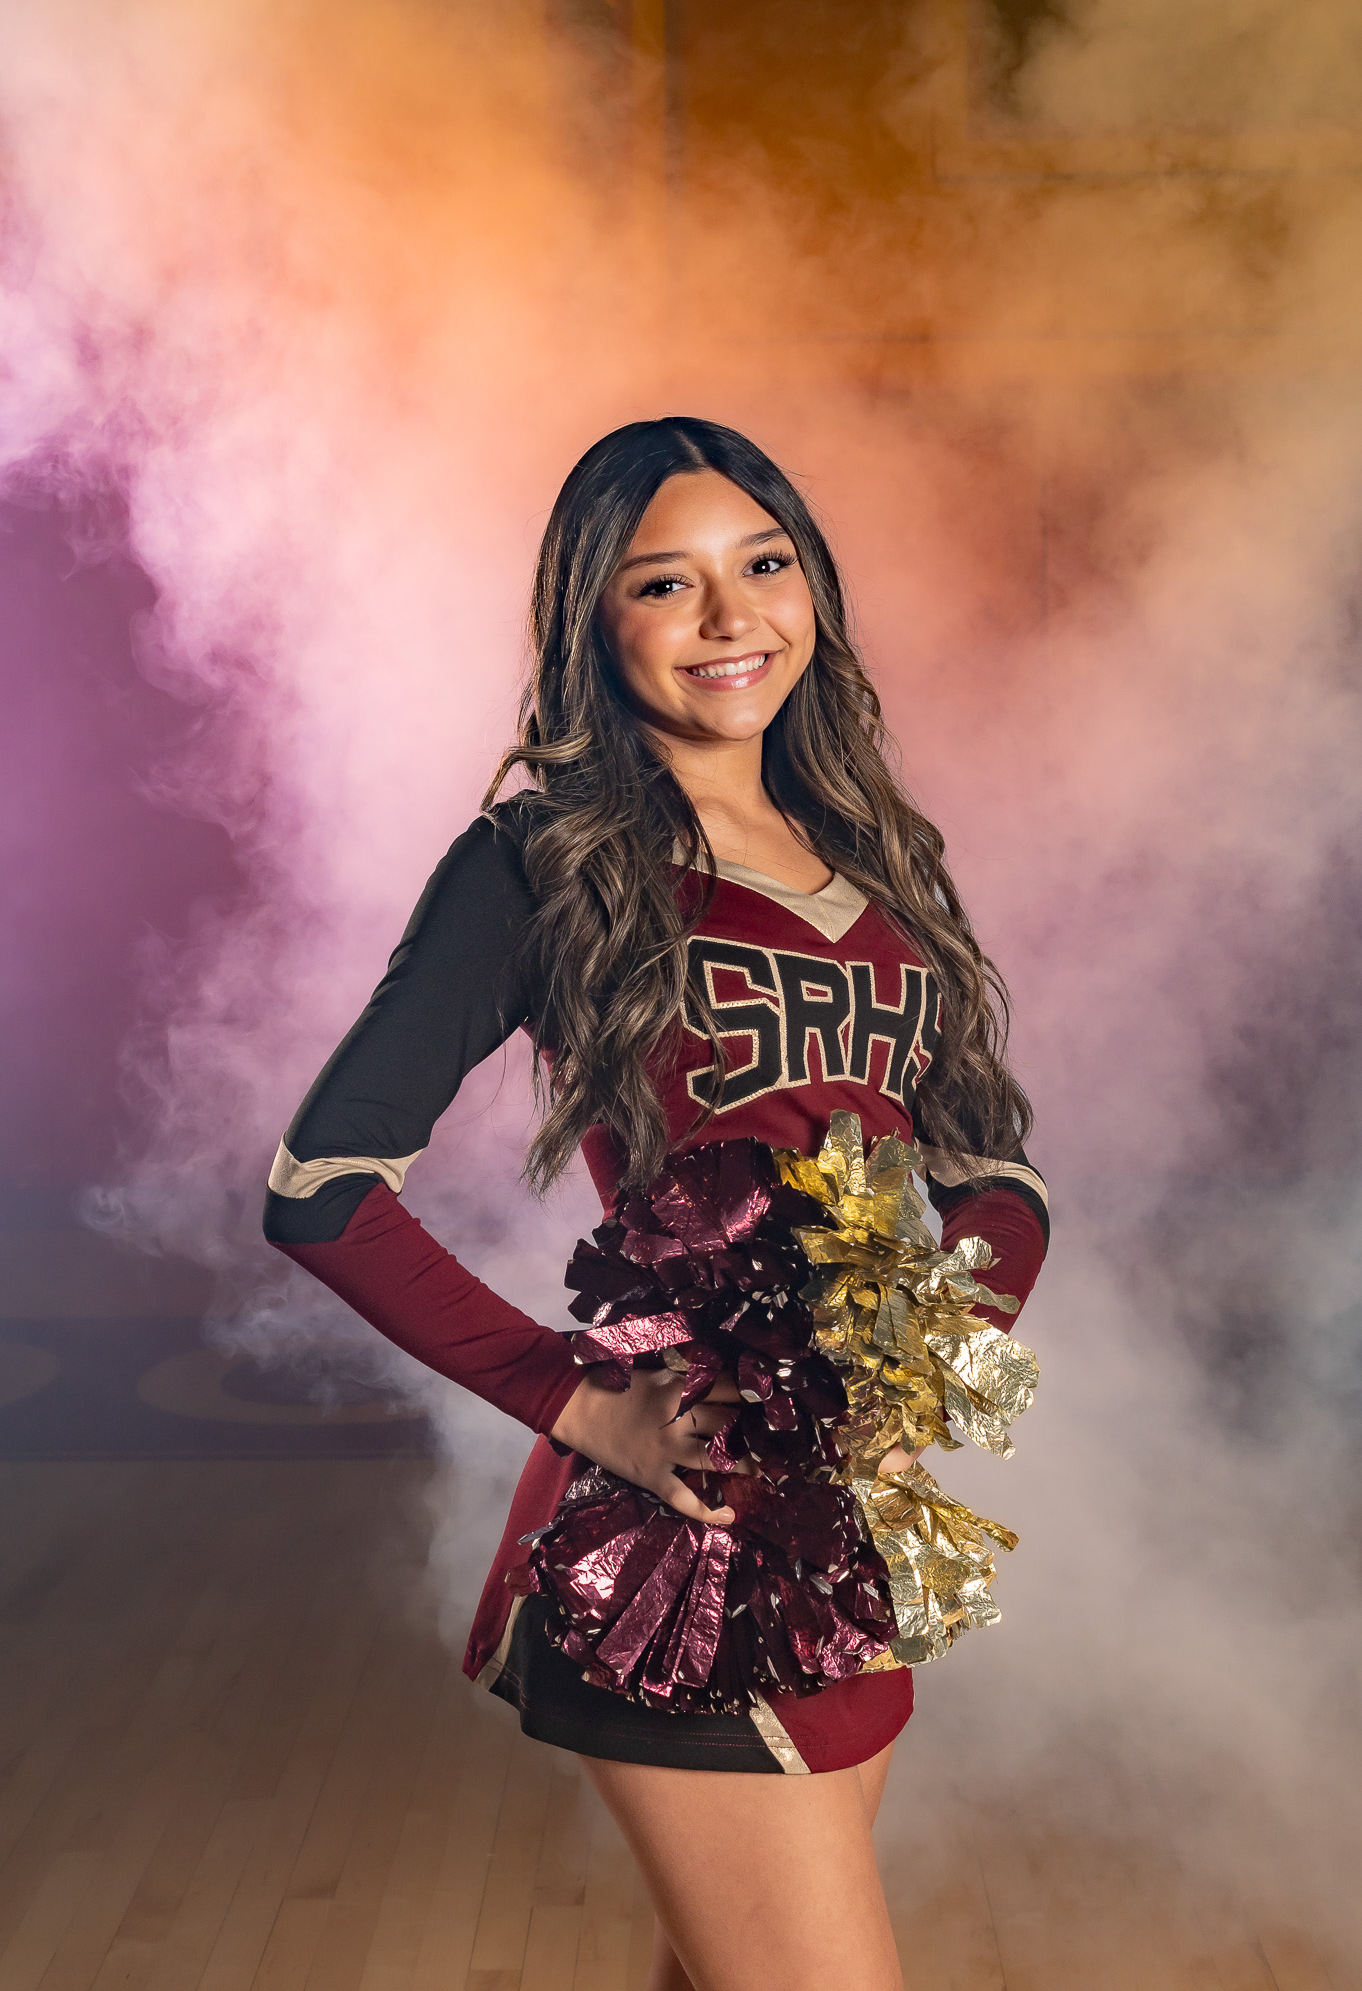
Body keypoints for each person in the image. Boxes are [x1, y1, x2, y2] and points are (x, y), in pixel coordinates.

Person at [263, 417, 1048, 1991]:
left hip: (848, 1521)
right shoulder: (542, 859)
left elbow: (989, 1170)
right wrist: (583, 1406)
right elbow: (323, 1191)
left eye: (761, 565)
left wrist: (914, 1363)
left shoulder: (876, 853)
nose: (728, 618)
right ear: (591, 624)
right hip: (676, 1539)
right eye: (661, 586)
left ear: (809, 584)